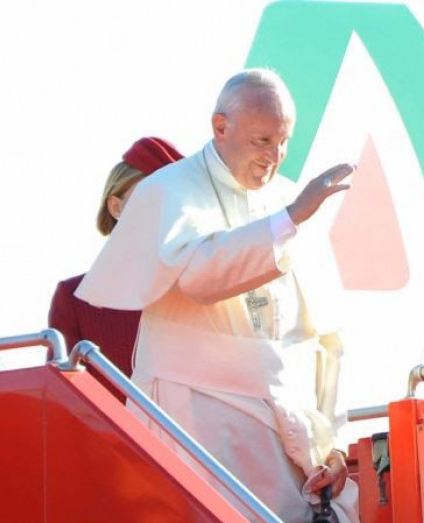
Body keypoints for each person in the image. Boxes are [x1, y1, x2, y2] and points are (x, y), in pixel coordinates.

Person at [76, 69, 359, 522]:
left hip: (292, 444)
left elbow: (326, 339)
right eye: (262, 141)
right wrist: (287, 220)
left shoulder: (292, 202)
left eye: (283, 142)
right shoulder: (168, 190)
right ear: (220, 127)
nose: (274, 157)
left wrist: (335, 443)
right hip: (196, 421)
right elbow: (199, 275)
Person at [48, 137, 183, 401]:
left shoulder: (206, 288)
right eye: (148, 196)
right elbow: (64, 398)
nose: (162, 208)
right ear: (116, 207)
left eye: (172, 200)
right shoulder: (76, 298)